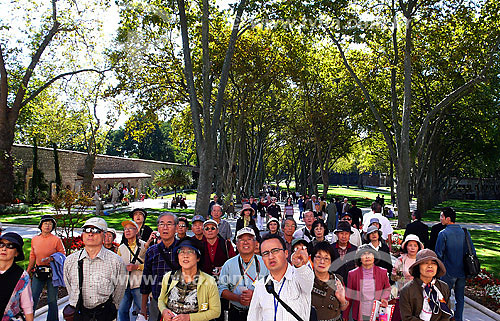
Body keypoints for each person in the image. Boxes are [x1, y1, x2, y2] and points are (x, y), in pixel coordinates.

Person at [63, 217, 127, 321]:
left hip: (103, 314)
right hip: (78, 314)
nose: (90, 234)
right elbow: (69, 286)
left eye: (96, 230)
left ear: (104, 235)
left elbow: (119, 291)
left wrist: (111, 308)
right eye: (87, 230)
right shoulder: (70, 261)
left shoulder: (116, 261)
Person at [248, 234, 314, 321]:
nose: (271, 257)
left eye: (275, 250)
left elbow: (308, 282)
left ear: (286, 253)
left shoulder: (299, 276)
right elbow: (253, 317)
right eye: (266, 253)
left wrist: (299, 265)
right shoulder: (261, 285)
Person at [158, 238, 221, 321]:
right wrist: (164, 310)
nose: (185, 255)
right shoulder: (169, 277)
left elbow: (215, 311)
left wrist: (189, 317)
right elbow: (161, 300)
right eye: (181, 252)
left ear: (198, 258)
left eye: (190, 251)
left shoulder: (209, 281)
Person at [218, 228, 269, 319]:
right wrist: (238, 298)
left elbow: (272, 287)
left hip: (260, 312)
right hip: (236, 312)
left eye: (249, 239)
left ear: (255, 243)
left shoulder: (265, 263)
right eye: (242, 240)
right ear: (237, 244)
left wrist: (255, 295)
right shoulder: (228, 264)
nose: (245, 242)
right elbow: (221, 289)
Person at [435, 207, 474, 321]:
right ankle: (458, 319)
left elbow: (439, 254)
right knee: (460, 298)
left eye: (442, 216)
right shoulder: (465, 232)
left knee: (443, 297)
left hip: (447, 271)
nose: (440, 219)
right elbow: (471, 250)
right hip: (462, 272)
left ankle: (445, 318)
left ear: (448, 219)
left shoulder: (443, 233)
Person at [140, 213, 180, 321]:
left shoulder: (184, 249)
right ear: (158, 228)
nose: (165, 228)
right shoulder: (152, 251)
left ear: (176, 228)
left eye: (169, 224)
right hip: (156, 302)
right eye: (162, 224)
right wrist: (143, 308)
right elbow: (146, 280)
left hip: (179, 303)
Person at [27, 215, 65, 321]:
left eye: (50, 224)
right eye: (45, 223)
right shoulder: (35, 239)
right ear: (41, 226)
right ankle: (29, 318)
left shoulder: (56, 240)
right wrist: (29, 270)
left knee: (52, 299)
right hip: (38, 271)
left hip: (52, 273)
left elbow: (62, 253)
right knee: (33, 297)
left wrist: (52, 259)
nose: (47, 226)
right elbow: (32, 255)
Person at [399, 249, 453, 321]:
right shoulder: (406, 290)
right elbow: (407, 318)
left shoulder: (443, 287)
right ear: (418, 267)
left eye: (433, 263)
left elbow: (446, 316)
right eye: (425, 263)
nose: (430, 266)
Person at [344, 244, 391, 321]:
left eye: (369, 253)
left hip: (377, 312)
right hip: (360, 313)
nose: (367, 256)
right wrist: (345, 314)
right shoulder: (352, 274)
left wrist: (384, 298)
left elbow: (387, 288)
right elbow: (349, 295)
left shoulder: (382, 272)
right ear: (359, 258)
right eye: (363, 254)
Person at [117, 219, 147, 321]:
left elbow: (149, 265)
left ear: (136, 231)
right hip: (124, 284)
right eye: (125, 229)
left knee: (143, 310)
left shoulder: (144, 246)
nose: (127, 231)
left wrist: (137, 267)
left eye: (130, 228)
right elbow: (118, 265)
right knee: (122, 310)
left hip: (138, 284)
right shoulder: (121, 248)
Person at [311, 242, 349, 321]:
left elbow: (343, 307)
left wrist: (342, 300)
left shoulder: (338, 280)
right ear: (312, 259)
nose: (322, 261)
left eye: (326, 258)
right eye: (318, 257)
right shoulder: (306, 280)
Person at [0, 232, 34, 321]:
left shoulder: (22, 276)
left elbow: (27, 306)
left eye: (10, 246)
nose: (4, 249)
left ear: (17, 253)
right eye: (1, 244)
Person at [330, 221, 358, 285]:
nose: (344, 236)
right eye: (341, 233)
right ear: (337, 234)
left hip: (350, 285)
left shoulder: (355, 250)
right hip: (333, 285)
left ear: (349, 235)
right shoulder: (330, 248)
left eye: (346, 234)